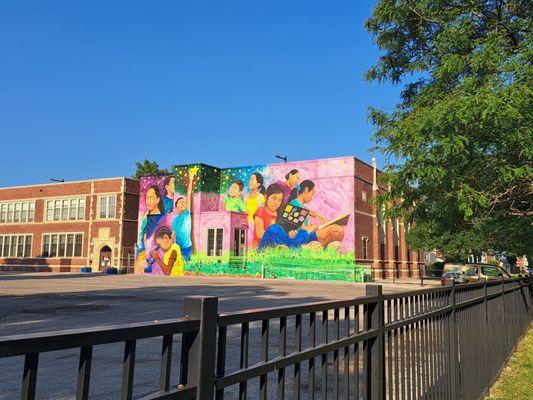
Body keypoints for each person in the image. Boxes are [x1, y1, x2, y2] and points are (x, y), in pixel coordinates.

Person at [172, 169, 195, 262]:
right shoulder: (175, 220)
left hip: (187, 248)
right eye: (180, 202)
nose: (183, 204)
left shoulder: (186, 214)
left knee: (187, 266)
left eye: (184, 203)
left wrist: (191, 179)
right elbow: (173, 236)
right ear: (176, 205)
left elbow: (188, 195)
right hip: (178, 248)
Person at [137, 185, 165, 254]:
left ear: (158, 200)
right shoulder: (145, 217)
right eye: (147, 198)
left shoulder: (162, 218)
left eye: (151, 197)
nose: (148, 201)